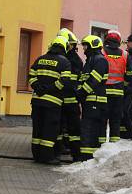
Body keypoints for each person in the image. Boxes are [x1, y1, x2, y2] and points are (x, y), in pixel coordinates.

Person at [28, 36, 72, 165]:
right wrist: (50, 89)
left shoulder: (40, 59)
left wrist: (39, 88)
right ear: (64, 47)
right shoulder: (64, 62)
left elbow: (31, 76)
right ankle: (47, 157)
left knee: (37, 129)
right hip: (53, 103)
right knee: (49, 130)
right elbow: (64, 81)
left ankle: (37, 155)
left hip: (37, 101)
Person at [76, 35, 109, 160]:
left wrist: (81, 93)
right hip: (90, 101)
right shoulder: (91, 60)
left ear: (92, 45)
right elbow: (83, 79)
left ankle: (87, 157)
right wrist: (79, 91)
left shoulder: (99, 60)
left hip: (95, 101)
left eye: (86, 45)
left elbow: (93, 81)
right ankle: (88, 156)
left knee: (89, 128)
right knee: (89, 128)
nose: (84, 48)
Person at [57, 28, 83, 161]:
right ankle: (67, 149)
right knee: (62, 126)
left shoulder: (72, 60)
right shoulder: (73, 60)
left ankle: (69, 149)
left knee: (68, 127)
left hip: (66, 99)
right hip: (66, 99)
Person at [103, 30, 127, 143]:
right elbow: (130, 74)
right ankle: (114, 144)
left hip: (104, 92)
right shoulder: (125, 54)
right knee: (115, 120)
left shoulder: (102, 52)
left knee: (103, 119)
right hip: (118, 93)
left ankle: (102, 144)